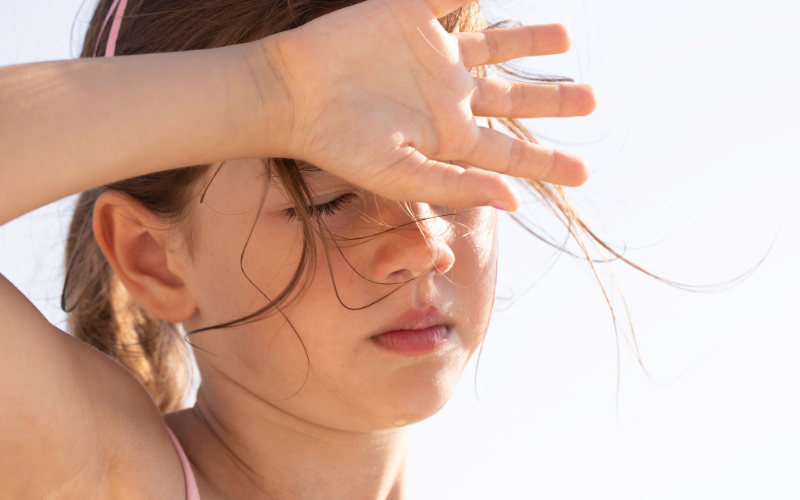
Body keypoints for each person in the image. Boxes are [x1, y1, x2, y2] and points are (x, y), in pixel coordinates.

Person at [0, 0, 597, 497]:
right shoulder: (104, 478)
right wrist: (275, 87)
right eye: (328, 202)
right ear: (153, 259)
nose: (423, 245)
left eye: (450, 170)